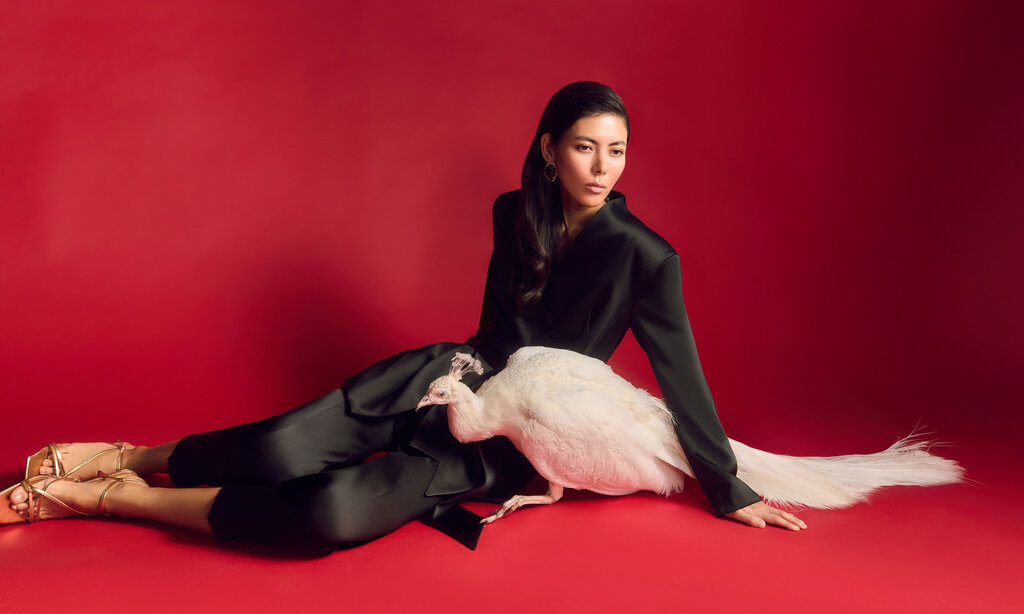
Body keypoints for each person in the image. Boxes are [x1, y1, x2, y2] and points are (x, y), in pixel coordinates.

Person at [2, 81, 805, 551]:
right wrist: (450, 384)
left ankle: (116, 497)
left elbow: (680, 375)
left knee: (330, 512)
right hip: (452, 372)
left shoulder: (647, 257)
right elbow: (492, 332)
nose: (603, 167)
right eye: (586, 147)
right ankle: (131, 455)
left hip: (519, 431)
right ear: (549, 149)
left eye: (617, 150)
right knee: (283, 448)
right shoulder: (512, 212)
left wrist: (727, 487)